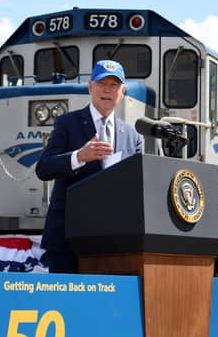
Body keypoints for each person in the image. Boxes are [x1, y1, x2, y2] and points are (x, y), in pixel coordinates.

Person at [35, 60, 144, 273]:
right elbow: (43, 168)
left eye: (114, 85)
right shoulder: (67, 123)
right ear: (90, 87)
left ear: (122, 92)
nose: (107, 89)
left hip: (114, 242)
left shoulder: (132, 135)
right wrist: (79, 156)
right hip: (68, 237)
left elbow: (139, 186)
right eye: (102, 82)